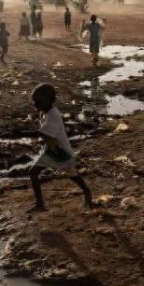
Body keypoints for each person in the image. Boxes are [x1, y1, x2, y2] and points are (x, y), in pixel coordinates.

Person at [28, 83, 93, 212]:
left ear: (49, 100)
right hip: (60, 150)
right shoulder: (48, 112)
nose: (35, 104)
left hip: (58, 151)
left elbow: (45, 134)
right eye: (34, 101)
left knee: (33, 172)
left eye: (38, 101)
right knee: (72, 173)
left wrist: (28, 133)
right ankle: (87, 192)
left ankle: (40, 204)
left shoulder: (53, 116)